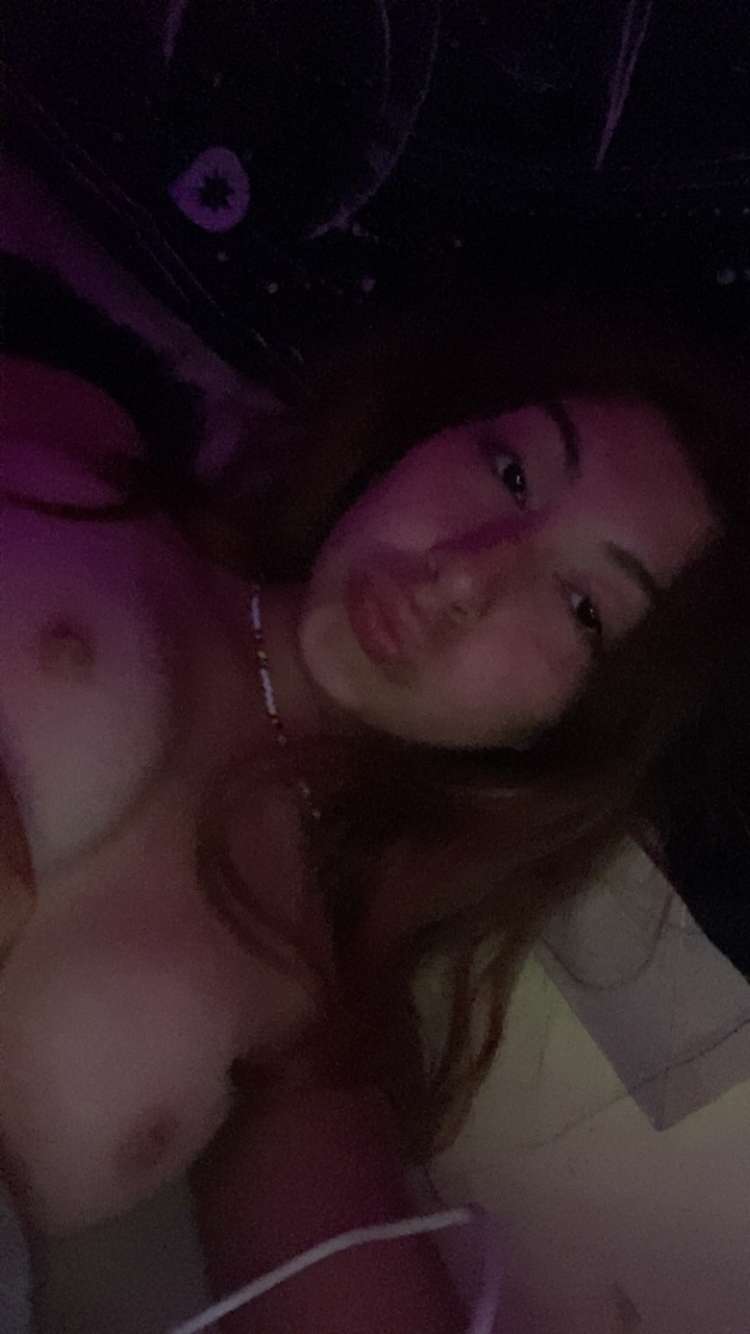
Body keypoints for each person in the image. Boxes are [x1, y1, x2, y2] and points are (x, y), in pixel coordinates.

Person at [0, 251, 748, 1331]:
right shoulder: (97, 447)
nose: (468, 571)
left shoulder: (311, 1000)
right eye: (511, 472)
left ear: (576, 725)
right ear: (427, 432)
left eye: (582, 606)